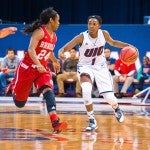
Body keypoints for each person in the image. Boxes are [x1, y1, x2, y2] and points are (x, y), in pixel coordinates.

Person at [58, 15, 137, 131]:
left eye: (94, 23)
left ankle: (116, 108)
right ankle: (91, 120)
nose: (91, 25)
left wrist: (129, 46)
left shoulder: (103, 34)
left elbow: (114, 42)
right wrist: (60, 52)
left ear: (99, 26)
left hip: (100, 68)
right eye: (89, 23)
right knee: (86, 89)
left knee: (110, 98)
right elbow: (65, 47)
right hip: (85, 67)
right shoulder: (81, 37)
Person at [5, 7, 67, 133]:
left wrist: (55, 61)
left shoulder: (54, 36)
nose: (59, 23)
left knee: (48, 91)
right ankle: (13, 86)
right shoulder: (39, 32)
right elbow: (31, 50)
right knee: (20, 104)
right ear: (51, 20)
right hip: (27, 68)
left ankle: (55, 122)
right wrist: (38, 64)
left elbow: (48, 51)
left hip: (42, 69)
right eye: (58, 20)